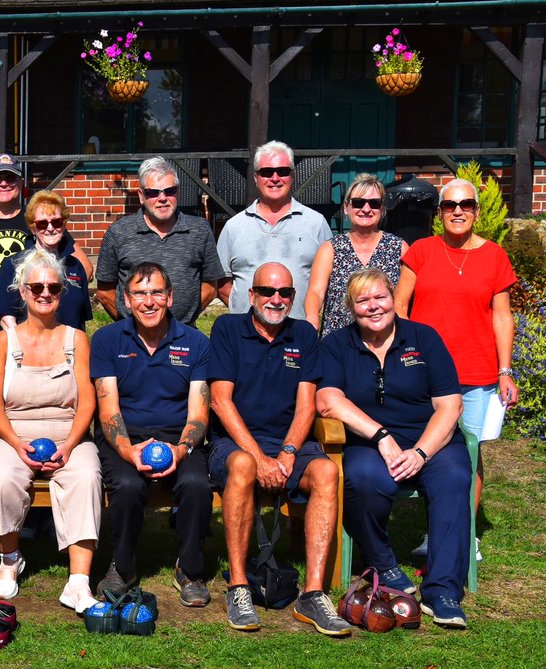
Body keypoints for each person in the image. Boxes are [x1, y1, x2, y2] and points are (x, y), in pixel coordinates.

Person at [316, 268, 472, 629]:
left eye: (380, 297)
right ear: (351, 309)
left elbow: (450, 405)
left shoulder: (424, 338)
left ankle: (443, 591)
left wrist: (420, 453)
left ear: (393, 298)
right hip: (370, 441)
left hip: (430, 438)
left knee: (453, 478)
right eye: (363, 301)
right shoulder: (337, 345)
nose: (374, 307)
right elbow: (328, 400)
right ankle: (383, 563)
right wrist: (381, 436)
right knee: (364, 479)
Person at [208, 263, 351, 636]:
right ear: (251, 295)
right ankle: (239, 586)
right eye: (268, 291)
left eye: (285, 293)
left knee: (326, 471)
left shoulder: (303, 333)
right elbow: (221, 402)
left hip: (288, 441)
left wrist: (287, 454)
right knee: (241, 466)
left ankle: (313, 594)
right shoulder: (227, 329)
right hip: (237, 442)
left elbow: (306, 406)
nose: (276, 299)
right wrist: (259, 458)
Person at [395, 177, 519, 555]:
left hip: (477, 372)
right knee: (427, 448)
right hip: (425, 373)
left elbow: (502, 317)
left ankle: (462, 533)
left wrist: (505, 370)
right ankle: (436, 530)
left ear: (477, 212)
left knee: (470, 452)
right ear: (439, 213)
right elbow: (400, 308)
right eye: (450, 205)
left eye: (466, 204)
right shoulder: (421, 251)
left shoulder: (495, 256)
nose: (458, 211)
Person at [0, 249, 100, 612]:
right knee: (1, 478)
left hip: (69, 432)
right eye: (36, 286)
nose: (45, 293)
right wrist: (17, 444)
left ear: (63, 293)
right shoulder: (4, 341)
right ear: (22, 291)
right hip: (14, 433)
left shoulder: (76, 338)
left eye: (53, 287)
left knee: (86, 475)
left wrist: (70, 446)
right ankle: (10, 558)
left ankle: (78, 581)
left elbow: (88, 402)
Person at [90, 263, 212, 606]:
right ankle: (122, 567)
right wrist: (129, 452)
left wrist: (181, 449)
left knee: (197, 485)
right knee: (128, 486)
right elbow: (109, 410)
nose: (149, 302)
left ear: (170, 297)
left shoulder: (195, 342)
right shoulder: (107, 340)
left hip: (177, 436)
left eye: (156, 292)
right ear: (127, 301)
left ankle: (190, 569)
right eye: (140, 294)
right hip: (126, 436)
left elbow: (199, 412)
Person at [95, 156, 222, 325]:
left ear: (177, 191)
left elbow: (211, 285)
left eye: (169, 191)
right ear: (141, 196)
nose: (162, 198)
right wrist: (132, 324)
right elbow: (105, 292)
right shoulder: (118, 232)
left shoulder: (199, 230)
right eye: (153, 192)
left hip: (183, 337)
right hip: (133, 338)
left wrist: (183, 322)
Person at [217, 141, 331, 320]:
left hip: (298, 333)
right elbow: (222, 284)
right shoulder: (233, 227)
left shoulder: (316, 224)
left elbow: (327, 282)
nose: (275, 178)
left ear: (292, 175)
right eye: (267, 172)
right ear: (256, 177)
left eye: (283, 171)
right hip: (246, 336)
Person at [0, 153, 95, 293]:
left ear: (21, 182)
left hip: (35, 313)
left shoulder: (42, 223)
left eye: (10, 178)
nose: (3, 184)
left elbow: (86, 269)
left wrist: (57, 297)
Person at [305, 173, 407, 337]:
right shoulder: (330, 249)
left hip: (385, 341)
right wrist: (312, 321)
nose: (366, 209)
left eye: (374, 203)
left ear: (382, 209)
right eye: (358, 203)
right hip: (338, 343)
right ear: (346, 207)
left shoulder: (398, 248)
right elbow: (315, 292)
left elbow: (402, 302)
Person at [0, 190, 92, 332]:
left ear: (63, 225)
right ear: (33, 227)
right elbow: (7, 318)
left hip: (69, 349)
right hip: (30, 349)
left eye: (56, 222)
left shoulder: (75, 266)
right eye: (42, 224)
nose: (50, 228)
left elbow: (80, 320)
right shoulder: (14, 264)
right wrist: (20, 348)